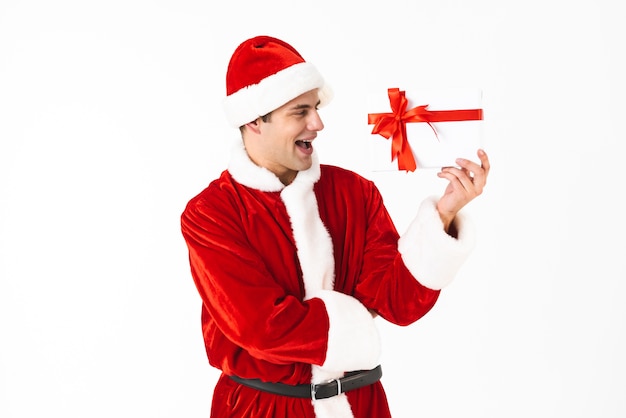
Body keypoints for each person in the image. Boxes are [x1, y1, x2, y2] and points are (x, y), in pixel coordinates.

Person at [180, 35, 490, 418]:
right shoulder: (211, 213)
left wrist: (443, 213)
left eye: (317, 107)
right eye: (301, 111)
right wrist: (357, 327)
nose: (318, 123)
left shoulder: (355, 193)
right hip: (263, 409)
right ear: (255, 121)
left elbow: (395, 301)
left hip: (361, 405)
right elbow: (261, 326)